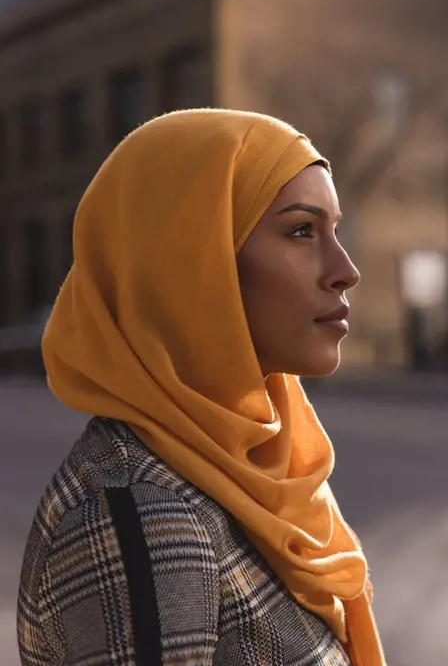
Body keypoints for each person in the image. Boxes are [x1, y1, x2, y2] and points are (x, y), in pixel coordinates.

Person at [17, 109, 386, 666]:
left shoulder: (258, 464)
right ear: (194, 262)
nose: (345, 269)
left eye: (334, 230)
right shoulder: (142, 517)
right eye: (301, 231)